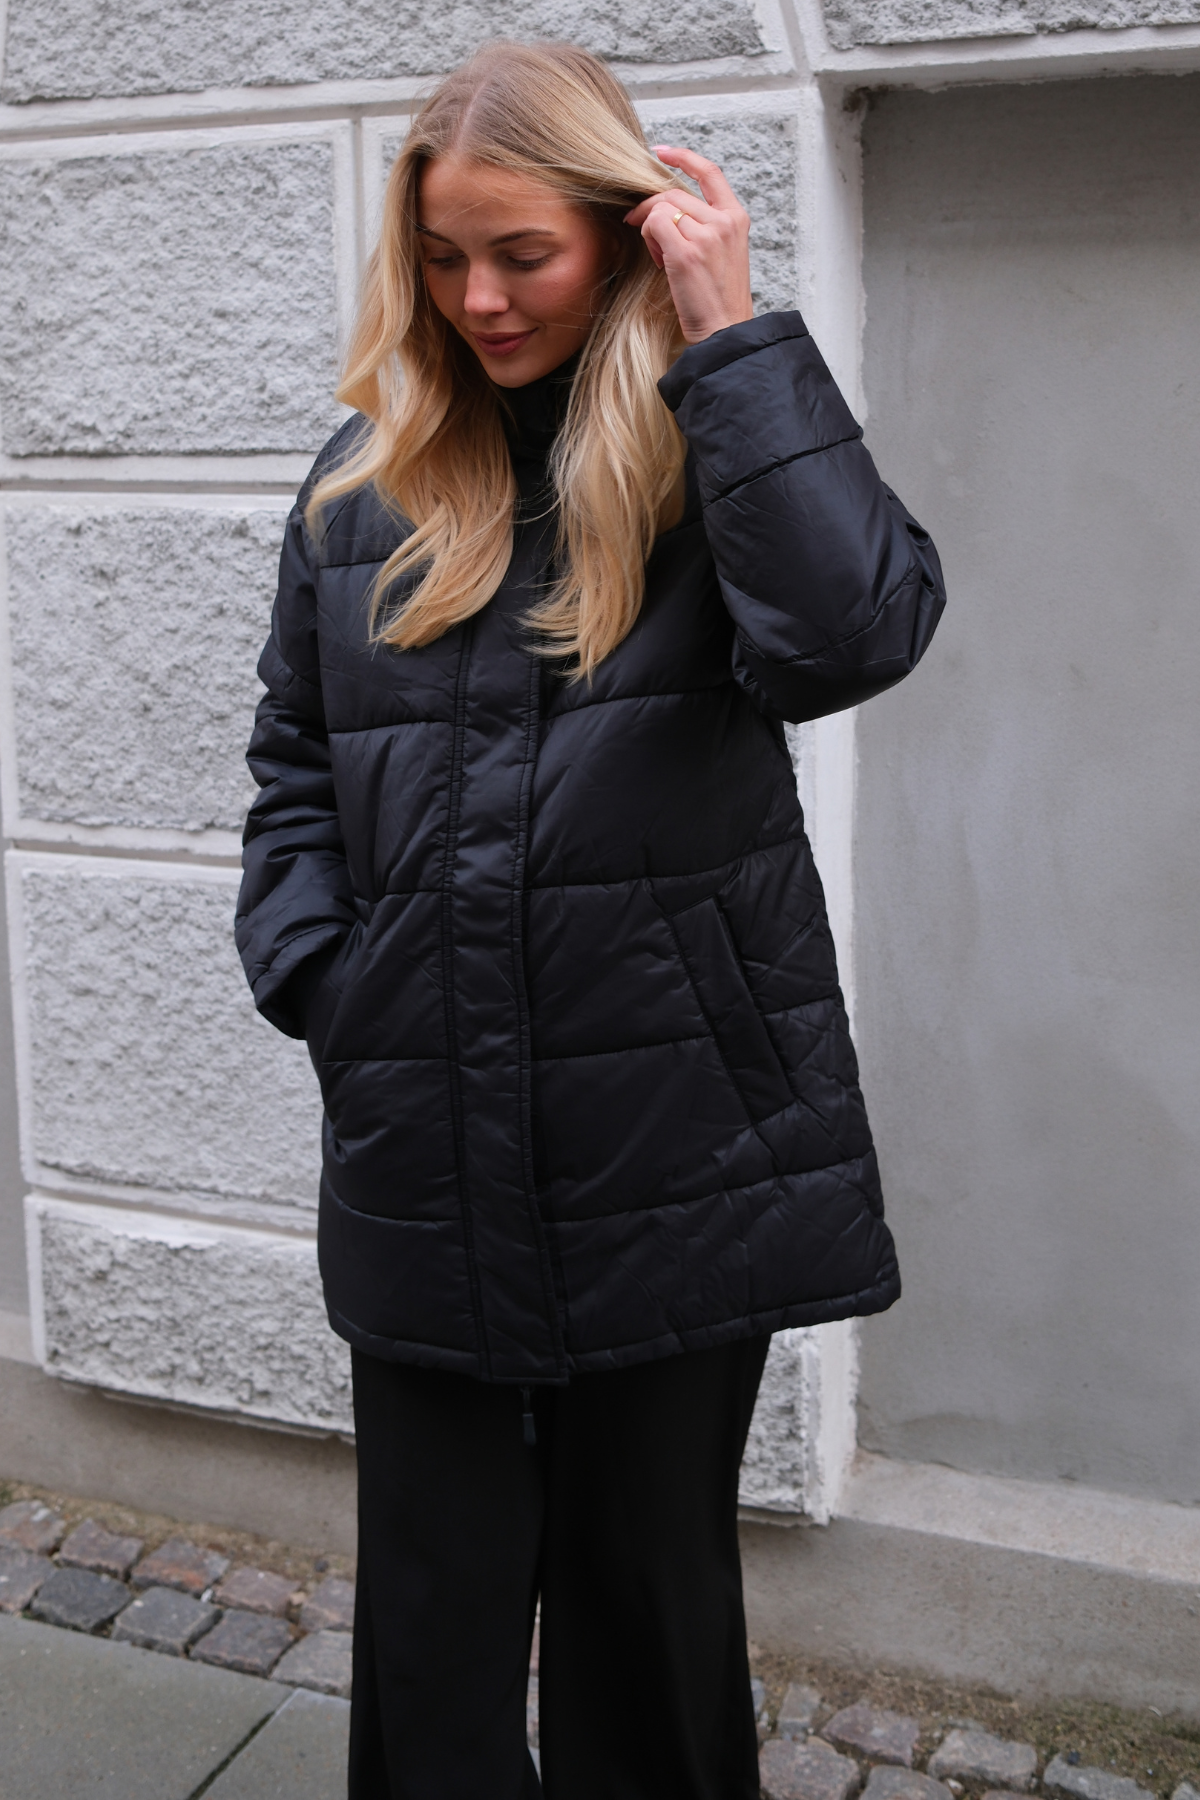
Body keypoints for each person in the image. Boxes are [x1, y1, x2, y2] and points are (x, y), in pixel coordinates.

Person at [235, 38, 945, 1800]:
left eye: (522, 254)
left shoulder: (714, 451)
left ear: (622, 235)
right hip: (423, 1132)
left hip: (675, 1138)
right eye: (442, 256)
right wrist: (328, 977)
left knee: (650, 1610)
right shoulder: (365, 484)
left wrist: (734, 338)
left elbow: (855, 635)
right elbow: (294, 766)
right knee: (435, 1622)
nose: (477, 298)